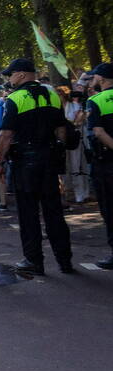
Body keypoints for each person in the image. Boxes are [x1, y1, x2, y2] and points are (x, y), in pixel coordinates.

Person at [0, 58, 74, 276]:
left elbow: (6, 134)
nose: (9, 79)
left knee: (28, 213)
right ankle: (64, 261)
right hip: (49, 159)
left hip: (25, 163)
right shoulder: (52, 95)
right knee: (54, 211)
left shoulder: (15, 99)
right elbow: (61, 129)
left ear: (21, 74)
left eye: (10, 74)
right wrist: (58, 152)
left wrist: (0, 162)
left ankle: (34, 261)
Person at [86, 64, 113, 269]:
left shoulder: (96, 100)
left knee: (110, 208)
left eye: (93, 77)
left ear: (101, 79)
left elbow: (98, 132)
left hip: (106, 162)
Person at [62, 89, 89, 204]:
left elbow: (80, 121)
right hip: (62, 141)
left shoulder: (75, 106)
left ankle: (81, 194)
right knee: (64, 168)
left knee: (76, 166)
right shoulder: (56, 108)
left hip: (75, 141)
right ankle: (67, 193)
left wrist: (76, 121)